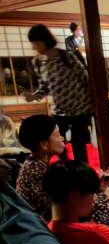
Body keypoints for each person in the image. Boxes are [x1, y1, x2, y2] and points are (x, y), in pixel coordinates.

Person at [16, 114, 109, 230]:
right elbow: (64, 206)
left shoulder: (37, 165)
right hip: (41, 228)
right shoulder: (36, 171)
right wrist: (103, 196)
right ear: (44, 144)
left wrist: (96, 188)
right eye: (58, 135)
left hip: (47, 221)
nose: (62, 138)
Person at [23, 24, 92, 164]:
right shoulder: (38, 62)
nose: (34, 47)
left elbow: (85, 78)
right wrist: (33, 96)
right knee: (57, 145)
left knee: (79, 143)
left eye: (36, 43)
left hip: (80, 107)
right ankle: (65, 169)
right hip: (59, 110)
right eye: (33, 44)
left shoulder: (66, 56)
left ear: (45, 40)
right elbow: (44, 87)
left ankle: (82, 170)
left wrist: (93, 103)